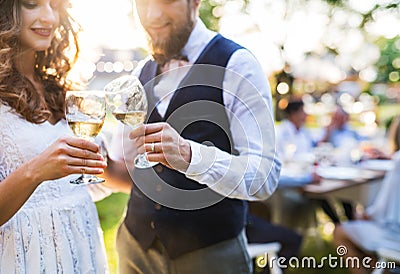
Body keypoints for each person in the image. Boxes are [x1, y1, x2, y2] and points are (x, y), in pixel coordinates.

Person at [108, 0, 281, 273]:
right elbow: (124, 170)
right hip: (134, 250)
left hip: (211, 255)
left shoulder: (238, 65)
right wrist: (95, 160)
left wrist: (190, 157)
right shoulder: (140, 74)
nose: (152, 15)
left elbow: (265, 177)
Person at [0, 0, 108, 272]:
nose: (49, 17)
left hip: (81, 250)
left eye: (55, 5)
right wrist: (35, 171)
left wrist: (137, 152)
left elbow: (97, 179)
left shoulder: (60, 88)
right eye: (32, 4)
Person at [333, 115, 400, 274]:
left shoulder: (398, 162)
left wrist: (364, 215)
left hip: (395, 238)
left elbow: (380, 209)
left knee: (340, 232)